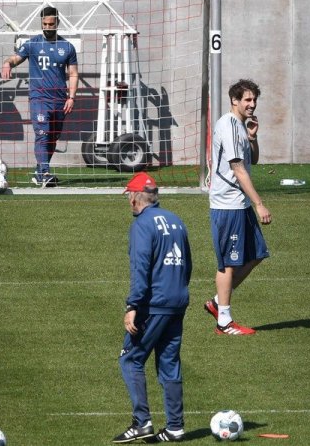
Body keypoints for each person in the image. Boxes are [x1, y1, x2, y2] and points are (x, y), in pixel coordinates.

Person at [114, 172, 191, 444]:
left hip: (153, 304)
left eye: (129, 197)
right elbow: (188, 265)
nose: (128, 202)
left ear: (136, 197)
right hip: (177, 302)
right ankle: (175, 427)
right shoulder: (176, 221)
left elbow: (140, 268)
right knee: (169, 363)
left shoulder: (142, 226)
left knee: (131, 359)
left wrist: (133, 305)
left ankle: (142, 422)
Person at [204, 79, 271, 335]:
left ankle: (216, 302)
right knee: (228, 264)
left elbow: (251, 158)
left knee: (256, 255)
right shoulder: (229, 125)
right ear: (235, 100)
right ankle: (224, 321)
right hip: (228, 205)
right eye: (247, 100)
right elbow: (238, 168)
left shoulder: (241, 127)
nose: (252, 105)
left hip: (239, 203)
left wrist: (252, 138)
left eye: (254, 100)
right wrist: (259, 204)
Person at [0, 6, 78, 187]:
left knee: (53, 136)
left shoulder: (67, 47)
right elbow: (14, 58)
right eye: (44, 24)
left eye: (51, 24)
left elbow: (73, 73)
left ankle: (40, 170)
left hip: (60, 100)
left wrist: (71, 97)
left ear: (57, 23)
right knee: (42, 133)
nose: (48, 27)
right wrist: (7, 64)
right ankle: (45, 173)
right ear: (41, 23)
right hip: (39, 98)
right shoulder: (32, 44)